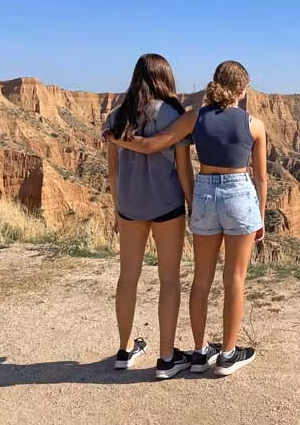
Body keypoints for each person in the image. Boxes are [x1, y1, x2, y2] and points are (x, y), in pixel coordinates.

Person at [106, 60, 267, 377]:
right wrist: (258, 217)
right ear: (242, 90)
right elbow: (260, 179)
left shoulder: (187, 118)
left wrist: (115, 138)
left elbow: (144, 151)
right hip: (216, 199)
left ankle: (193, 351)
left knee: (194, 280)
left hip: (175, 198)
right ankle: (219, 355)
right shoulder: (252, 123)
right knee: (229, 279)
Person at [104, 53, 194, 380]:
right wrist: (193, 204)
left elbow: (112, 171)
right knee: (169, 280)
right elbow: (183, 170)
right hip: (166, 207)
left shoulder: (116, 116)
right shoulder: (173, 115)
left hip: (129, 207)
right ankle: (167, 358)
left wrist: (117, 208)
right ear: (164, 78)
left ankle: (124, 350)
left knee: (127, 277)